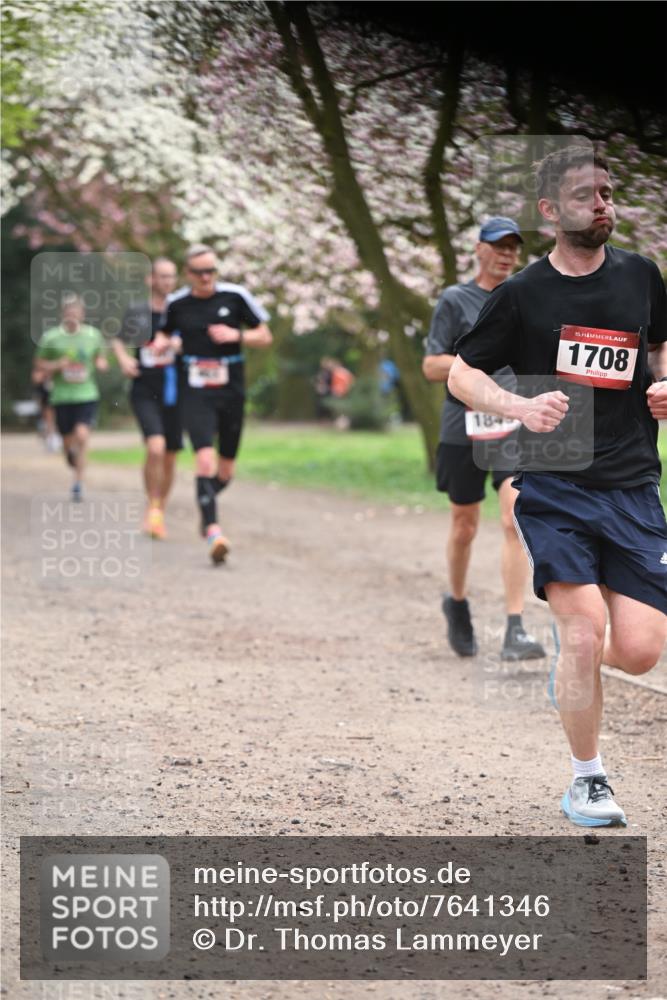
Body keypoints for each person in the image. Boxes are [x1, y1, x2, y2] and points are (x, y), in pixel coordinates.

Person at [449, 147, 667, 827]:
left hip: (631, 481)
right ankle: (587, 780)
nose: (602, 204)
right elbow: (462, 373)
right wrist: (517, 407)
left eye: (607, 192)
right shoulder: (522, 295)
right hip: (554, 477)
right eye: (585, 195)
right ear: (549, 211)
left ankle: (574, 676)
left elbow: (658, 348)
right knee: (581, 635)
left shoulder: (639, 275)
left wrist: (663, 383)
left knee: (636, 651)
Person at [423, 217, 546, 661]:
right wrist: (473, 369)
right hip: (464, 427)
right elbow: (432, 366)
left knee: (515, 518)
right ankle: (457, 603)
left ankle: (515, 627)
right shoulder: (456, 299)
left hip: (510, 426)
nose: (507, 253)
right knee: (464, 526)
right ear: (478, 249)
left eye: (514, 246)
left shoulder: (525, 298)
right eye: (498, 245)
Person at [153, 245, 272, 564]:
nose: (206, 277)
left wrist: (237, 335)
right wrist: (160, 345)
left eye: (211, 271)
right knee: (204, 460)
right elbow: (163, 335)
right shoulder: (177, 303)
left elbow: (264, 335)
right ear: (188, 274)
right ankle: (213, 530)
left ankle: (204, 502)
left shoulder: (235, 296)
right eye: (199, 272)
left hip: (231, 388)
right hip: (195, 390)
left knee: (225, 470)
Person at [112, 257, 181, 539]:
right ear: (150, 279)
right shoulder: (138, 311)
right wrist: (123, 359)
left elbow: (200, 340)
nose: (167, 282)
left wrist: (180, 343)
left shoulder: (182, 310)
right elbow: (118, 339)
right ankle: (152, 506)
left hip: (176, 390)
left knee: (170, 457)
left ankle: (158, 512)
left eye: (172, 277)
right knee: (155, 448)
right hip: (144, 389)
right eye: (162, 276)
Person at [35, 293, 108, 501]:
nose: (73, 316)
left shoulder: (93, 335)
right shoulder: (51, 338)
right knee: (68, 442)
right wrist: (58, 365)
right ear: (63, 314)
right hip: (62, 396)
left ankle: (78, 483)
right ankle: (70, 456)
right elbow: (39, 364)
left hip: (87, 394)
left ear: (82, 314)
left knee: (83, 435)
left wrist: (102, 363)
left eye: (76, 312)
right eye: (69, 312)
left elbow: (99, 357)